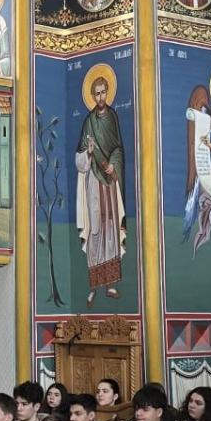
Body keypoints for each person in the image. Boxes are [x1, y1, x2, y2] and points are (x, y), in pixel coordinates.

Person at [74, 74, 127, 306]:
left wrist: (113, 163)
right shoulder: (88, 121)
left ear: (107, 92)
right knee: (95, 230)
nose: (100, 97)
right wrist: (88, 152)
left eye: (103, 92)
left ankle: (111, 283)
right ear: (92, 96)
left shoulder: (112, 117)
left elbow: (118, 148)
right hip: (94, 181)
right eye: (96, 93)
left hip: (110, 182)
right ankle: (94, 285)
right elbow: (80, 157)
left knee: (111, 228)